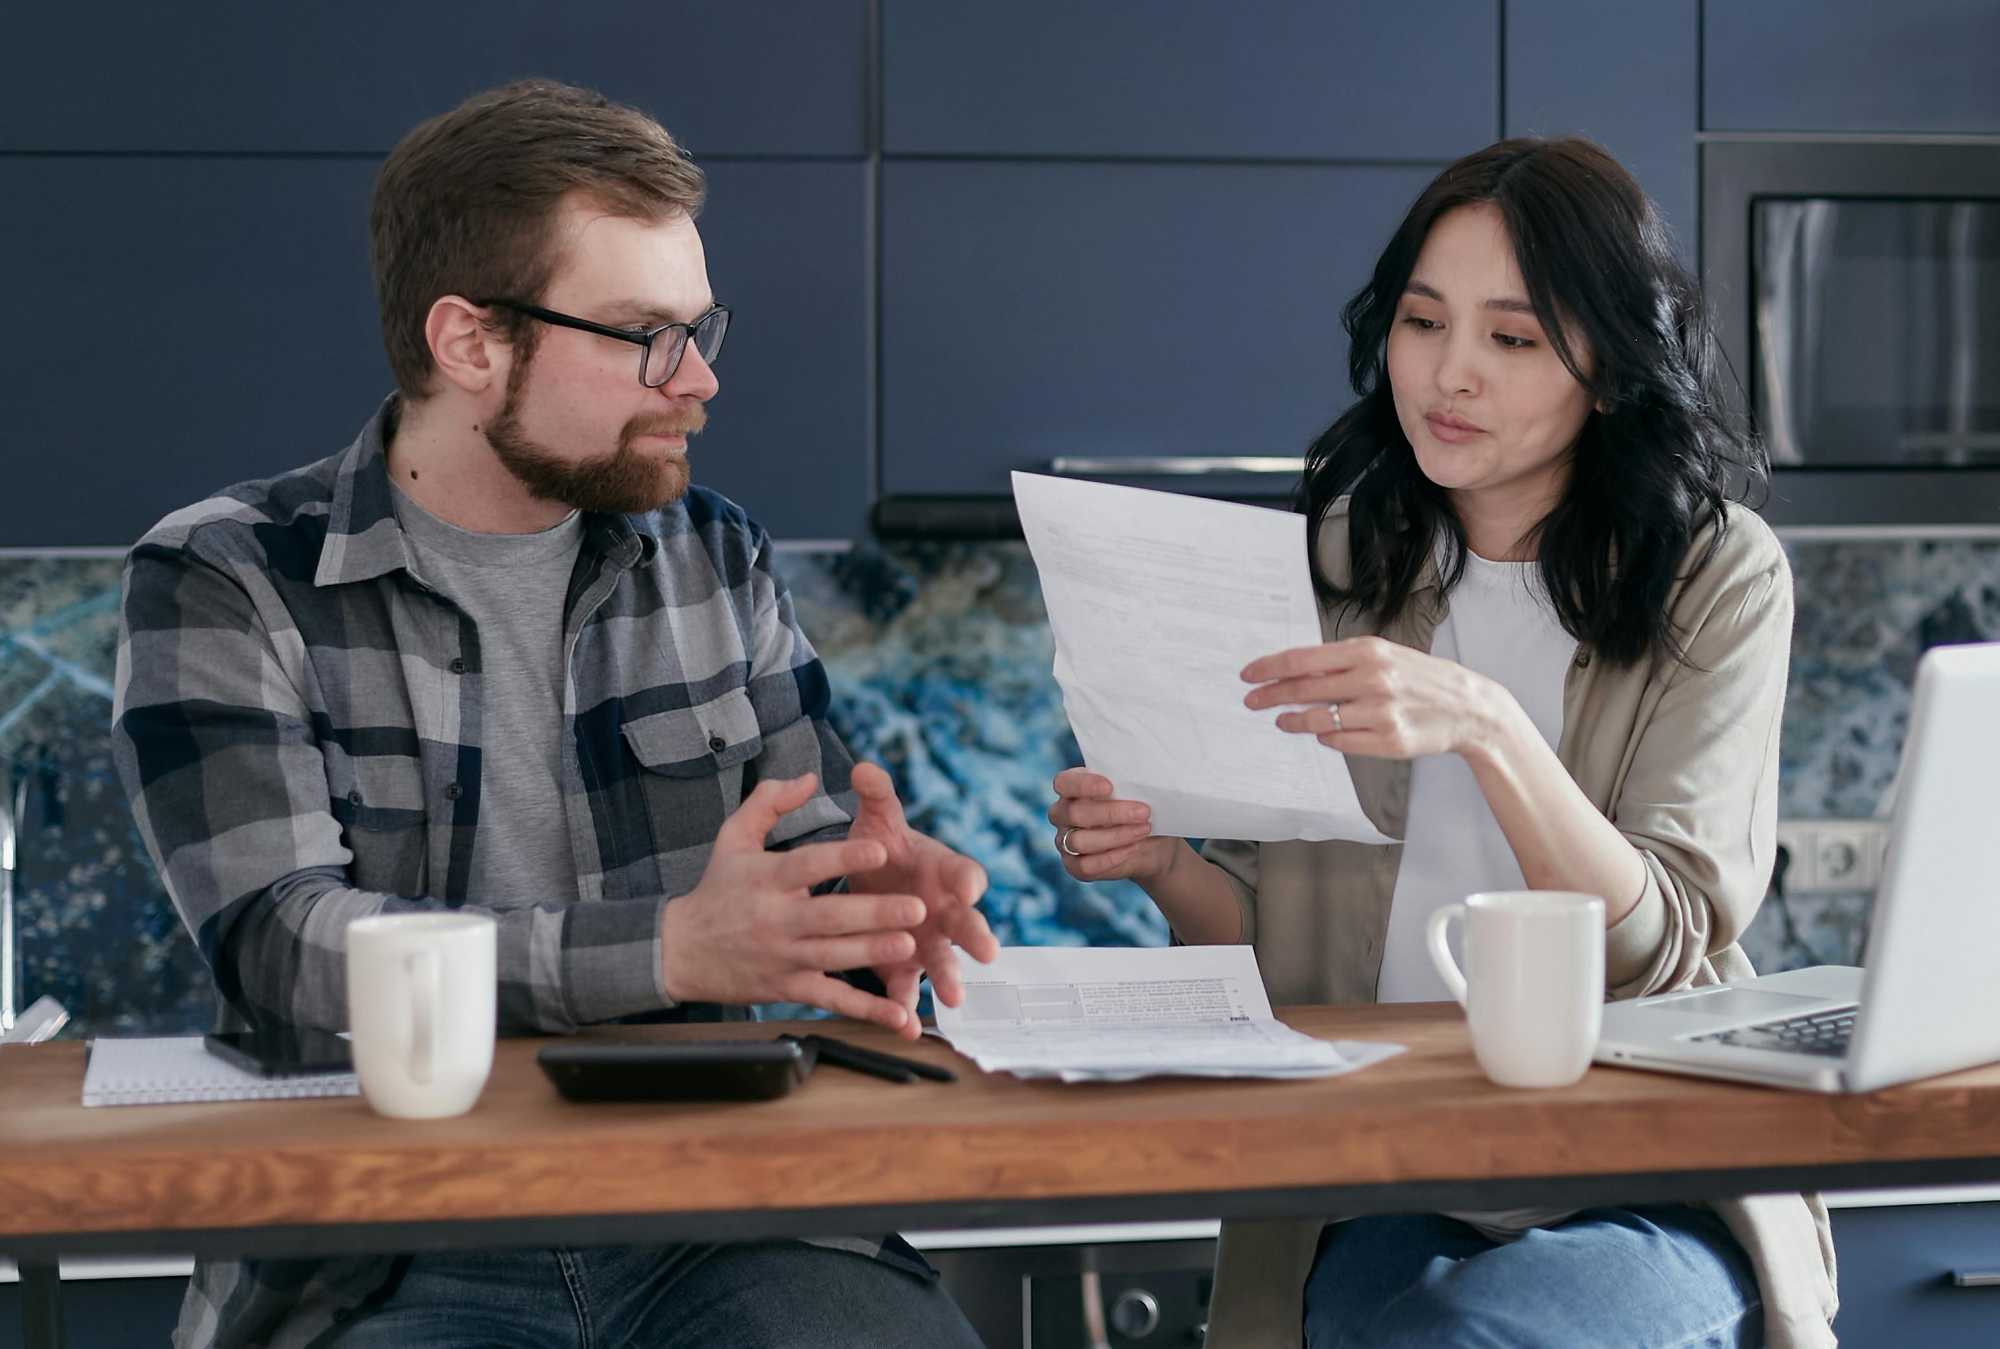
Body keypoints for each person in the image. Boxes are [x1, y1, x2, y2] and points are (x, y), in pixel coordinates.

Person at [111, 79, 997, 1349]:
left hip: (723, 1212)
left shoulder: (714, 555)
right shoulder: (226, 576)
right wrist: (666, 952)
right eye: (645, 335)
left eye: (700, 329)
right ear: (470, 343)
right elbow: (283, 950)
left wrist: (870, 905)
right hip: (384, 1242)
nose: (698, 379)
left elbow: (794, 881)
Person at [1048, 138, 1837, 1348]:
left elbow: (1655, 942)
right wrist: (1162, 863)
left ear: (1608, 370)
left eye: (1510, 339)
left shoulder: (1713, 573)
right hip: (1378, 1171)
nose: (1448, 373)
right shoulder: (1325, 565)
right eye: (1422, 322)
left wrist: (1485, 725)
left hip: (1644, 1162)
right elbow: (1269, 949)